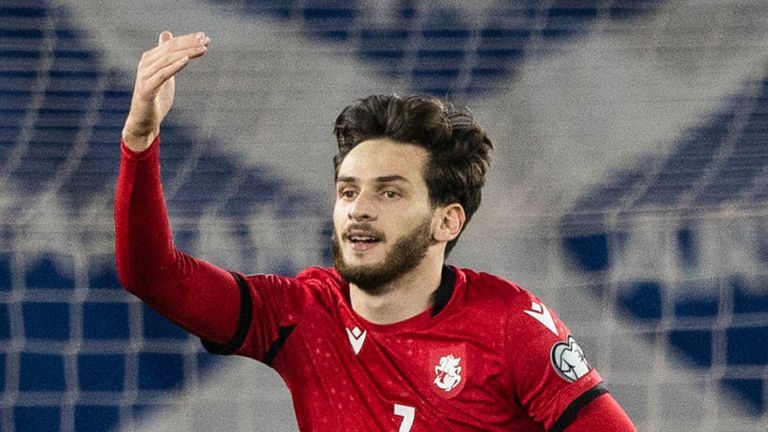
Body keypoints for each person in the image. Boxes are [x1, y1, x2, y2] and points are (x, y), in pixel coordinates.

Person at [115, 31, 636, 431]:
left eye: (389, 193)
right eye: (347, 191)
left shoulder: (509, 325)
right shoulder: (302, 314)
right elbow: (154, 275)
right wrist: (141, 137)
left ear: (447, 220)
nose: (358, 210)